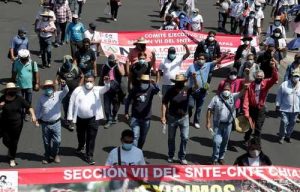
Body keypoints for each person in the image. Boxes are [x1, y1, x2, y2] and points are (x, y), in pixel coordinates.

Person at [67, 74, 110, 165]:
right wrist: (70, 117)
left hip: (93, 119)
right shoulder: (78, 90)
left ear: (94, 82)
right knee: (80, 135)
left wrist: (107, 83)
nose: (88, 83)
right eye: (87, 81)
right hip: (80, 118)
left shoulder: (97, 90)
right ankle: (81, 145)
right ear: (84, 81)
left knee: (91, 137)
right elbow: (71, 102)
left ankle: (89, 155)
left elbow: (106, 88)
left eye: (91, 81)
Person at [161, 74, 198, 165]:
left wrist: (195, 78)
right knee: (171, 138)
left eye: (181, 82)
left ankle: (182, 156)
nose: (180, 83)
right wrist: (163, 116)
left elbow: (196, 87)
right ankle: (171, 155)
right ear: (175, 82)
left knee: (185, 138)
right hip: (172, 117)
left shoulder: (187, 89)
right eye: (178, 82)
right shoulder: (170, 91)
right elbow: (164, 103)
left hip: (184, 117)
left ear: (184, 82)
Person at [206, 83, 247, 165]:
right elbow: (209, 109)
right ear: (222, 90)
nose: (226, 91)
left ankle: (221, 158)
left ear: (230, 90)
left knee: (225, 142)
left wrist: (245, 88)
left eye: (228, 89)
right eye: (225, 89)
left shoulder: (233, 96)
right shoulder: (216, 98)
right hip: (218, 124)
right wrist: (208, 122)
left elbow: (241, 93)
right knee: (216, 142)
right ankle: (214, 158)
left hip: (228, 125)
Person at [0, 83, 38, 167]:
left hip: (16, 124)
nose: (12, 91)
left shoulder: (19, 99)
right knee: (5, 140)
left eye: (13, 90)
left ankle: (12, 158)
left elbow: (29, 107)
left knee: (14, 142)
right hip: (4, 123)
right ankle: (11, 149)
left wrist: (33, 115)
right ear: (7, 91)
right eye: (10, 90)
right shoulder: (2, 98)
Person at [186, 53, 227, 129]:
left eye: (202, 59)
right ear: (197, 59)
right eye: (199, 58)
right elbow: (185, 76)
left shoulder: (208, 65)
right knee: (190, 106)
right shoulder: (191, 67)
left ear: (205, 60)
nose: (201, 60)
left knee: (199, 108)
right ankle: (188, 117)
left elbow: (217, 61)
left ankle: (196, 121)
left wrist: (224, 56)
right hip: (192, 91)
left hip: (202, 91)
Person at [36, 80, 69, 164]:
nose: (48, 89)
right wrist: (37, 119)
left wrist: (64, 85)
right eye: (46, 87)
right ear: (44, 89)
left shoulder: (58, 95)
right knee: (46, 142)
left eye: (50, 87)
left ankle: (55, 154)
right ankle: (47, 156)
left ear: (53, 87)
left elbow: (66, 91)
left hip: (56, 123)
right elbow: (38, 110)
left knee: (57, 141)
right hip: (45, 124)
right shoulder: (41, 98)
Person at [243, 65, 279, 143]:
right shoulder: (251, 85)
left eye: (260, 76)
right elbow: (246, 99)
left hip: (260, 109)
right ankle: (246, 138)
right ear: (255, 76)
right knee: (249, 126)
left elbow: (275, 79)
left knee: (258, 127)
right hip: (252, 108)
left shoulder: (266, 83)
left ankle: (256, 144)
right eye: (257, 76)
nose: (259, 77)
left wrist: (274, 68)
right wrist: (246, 112)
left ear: (263, 77)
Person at [125, 75, 160, 149]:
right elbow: (128, 100)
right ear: (140, 81)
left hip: (146, 118)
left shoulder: (151, 88)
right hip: (135, 117)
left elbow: (157, 90)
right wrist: (126, 112)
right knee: (135, 136)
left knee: (143, 137)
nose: (145, 83)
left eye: (146, 82)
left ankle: (139, 149)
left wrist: (154, 83)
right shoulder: (135, 89)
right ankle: (134, 152)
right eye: (143, 82)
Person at [12, 49, 40, 121]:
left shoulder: (33, 63)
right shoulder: (16, 63)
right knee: (20, 100)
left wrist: (37, 83)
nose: (24, 60)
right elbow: (14, 73)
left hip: (29, 86)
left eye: (25, 59)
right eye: (22, 59)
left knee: (28, 101)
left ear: (28, 57)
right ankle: (21, 113)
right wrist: (13, 81)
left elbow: (36, 73)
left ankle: (27, 113)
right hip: (19, 86)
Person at [101, 54, 125, 128]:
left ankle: (114, 115)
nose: (111, 62)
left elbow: (122, 73)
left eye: (113, 61)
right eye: (110, 61)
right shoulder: (105, 66)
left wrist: (117, 64)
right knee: (106, 106)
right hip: (107, 88)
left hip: (117, 89)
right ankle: (109, 120)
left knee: (116, 105)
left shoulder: (120, 64)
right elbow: (102, 76)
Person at [276, 71, 300, 144]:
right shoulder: (284, 84)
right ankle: (282, 136)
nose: (296, 78)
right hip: (285, 108)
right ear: (291, 76)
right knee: (284, 122)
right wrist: (277, 105)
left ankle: (288, 136)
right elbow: (279, 95)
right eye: (295, 76)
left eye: (297, 76)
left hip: (295, 109)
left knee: (292, 123)